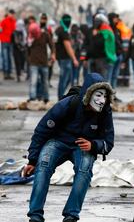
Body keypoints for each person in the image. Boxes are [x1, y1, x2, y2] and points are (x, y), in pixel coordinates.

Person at [24, 73, 115, 222]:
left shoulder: (105, 111)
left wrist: (93, 145)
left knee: (84, 169)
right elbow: (41, 131)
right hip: (58, 142)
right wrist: (32, 160)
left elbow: (108, 142)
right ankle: (35, 215)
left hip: (83, 146)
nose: (101, 101)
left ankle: (71, 215)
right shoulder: (67, 104)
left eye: (105, 96)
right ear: (89, 93)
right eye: (98, 95)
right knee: (43, 165)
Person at [27, 22, 55, 103]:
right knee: (33, 82)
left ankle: (46, 97)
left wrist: (53, 54)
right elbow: (27, 50)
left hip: (44, 63)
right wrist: (29, 59)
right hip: (33, 63)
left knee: (45, 82)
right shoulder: (30, 37)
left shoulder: (45, 34)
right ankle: (32, 97)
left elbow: (52, 44)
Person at [55, 14, 79, 99]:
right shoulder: (64, 31)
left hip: (60, 58)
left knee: (66, 78)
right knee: (64, 79)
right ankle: (60, 97)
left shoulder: (58, 30)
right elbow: (68, 47)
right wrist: (74, 59)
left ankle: (60, 96)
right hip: (65, 58)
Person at [87, 14, 117, 79]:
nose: (95, 23)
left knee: (102, 81)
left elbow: (100, 43)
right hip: (94, 58)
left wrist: (95, 35)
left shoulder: (105, 31)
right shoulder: (96, 30)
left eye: (97, 21)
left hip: (103, 59)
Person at [107, 13, 124, 101]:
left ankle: (113, 95)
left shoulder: (117, 30)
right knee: (108, 77)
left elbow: (120, 42)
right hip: (111, 57)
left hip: (118, 55)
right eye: (115, 18)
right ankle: (107, 96)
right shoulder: (108, 29)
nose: (117, 20)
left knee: (114, 77)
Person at [0, 9, 16, 80]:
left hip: (10, 41)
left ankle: (8, 73)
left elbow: (14, 30)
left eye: (13, 14)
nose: (12, 15)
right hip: (4, 41)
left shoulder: (14, 21)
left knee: (9, 57)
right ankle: (6, 73)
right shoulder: (4, 21)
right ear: (9, 14)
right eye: (11, 14)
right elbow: (0, 29)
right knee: (5, 57)